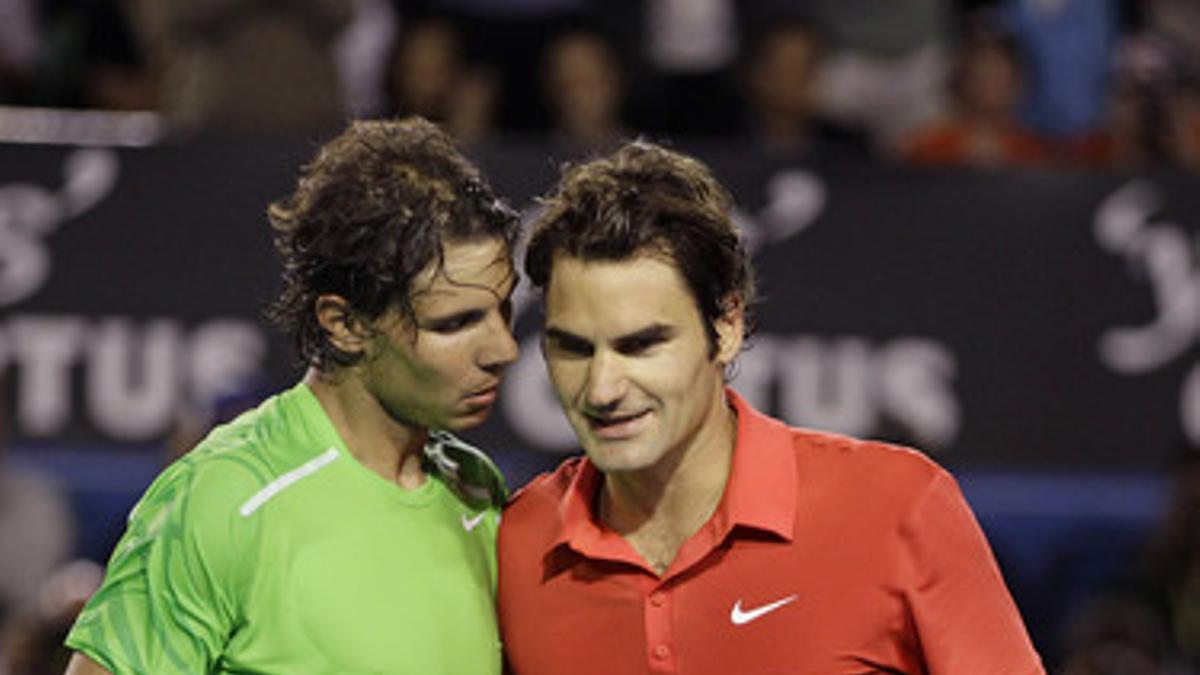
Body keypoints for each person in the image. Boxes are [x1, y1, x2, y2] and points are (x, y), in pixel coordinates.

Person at [497, 139, 1046, 673]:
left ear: (727, 325)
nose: (601, 389)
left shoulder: (900, 506)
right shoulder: (520, 542)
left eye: (641, 345)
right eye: (572, 348)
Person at [62, 116, 521, 674]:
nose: (503, 348)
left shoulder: (476, 489)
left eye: (503, 309)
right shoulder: (226, 498)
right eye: (455, 323)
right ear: (345, 323)